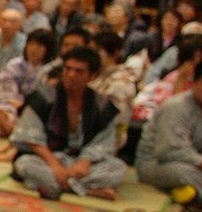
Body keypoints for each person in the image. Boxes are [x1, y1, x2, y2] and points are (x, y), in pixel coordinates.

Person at [10, 47, 128, 201]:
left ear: (92, 76)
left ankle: (58, 185)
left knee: (118, 169)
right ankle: (86, 190)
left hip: (81, 163)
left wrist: (84, 163)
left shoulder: (101, 105)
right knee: (24, 164)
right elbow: (32, 138)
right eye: (68, 69)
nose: (71, 75)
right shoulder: (44, 97)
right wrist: (55, 165)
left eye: (79, 72)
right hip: (49, 158)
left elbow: (104, 142)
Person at [135, 57, 202, 208]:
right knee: (183, 173)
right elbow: (172, 151)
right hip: (160, 164)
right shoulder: (176, 107)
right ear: (194, 82)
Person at [0, 28, 57, 143]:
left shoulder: (52, 69)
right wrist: (15, 104)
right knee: (0, 113)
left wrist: (26, 106)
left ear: (48, 49)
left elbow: (47, 97)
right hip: (14, 104)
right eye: (31, 44)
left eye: (39, 46)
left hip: (39, 110)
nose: (33, 49)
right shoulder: (15, 64)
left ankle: (19, 135)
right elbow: (8, 89)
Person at [134, 33, 202, 124]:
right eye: (191, 59)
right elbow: (173, 109)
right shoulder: (173, 77)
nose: (197, 62)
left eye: (201, 57)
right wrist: (181, 79)